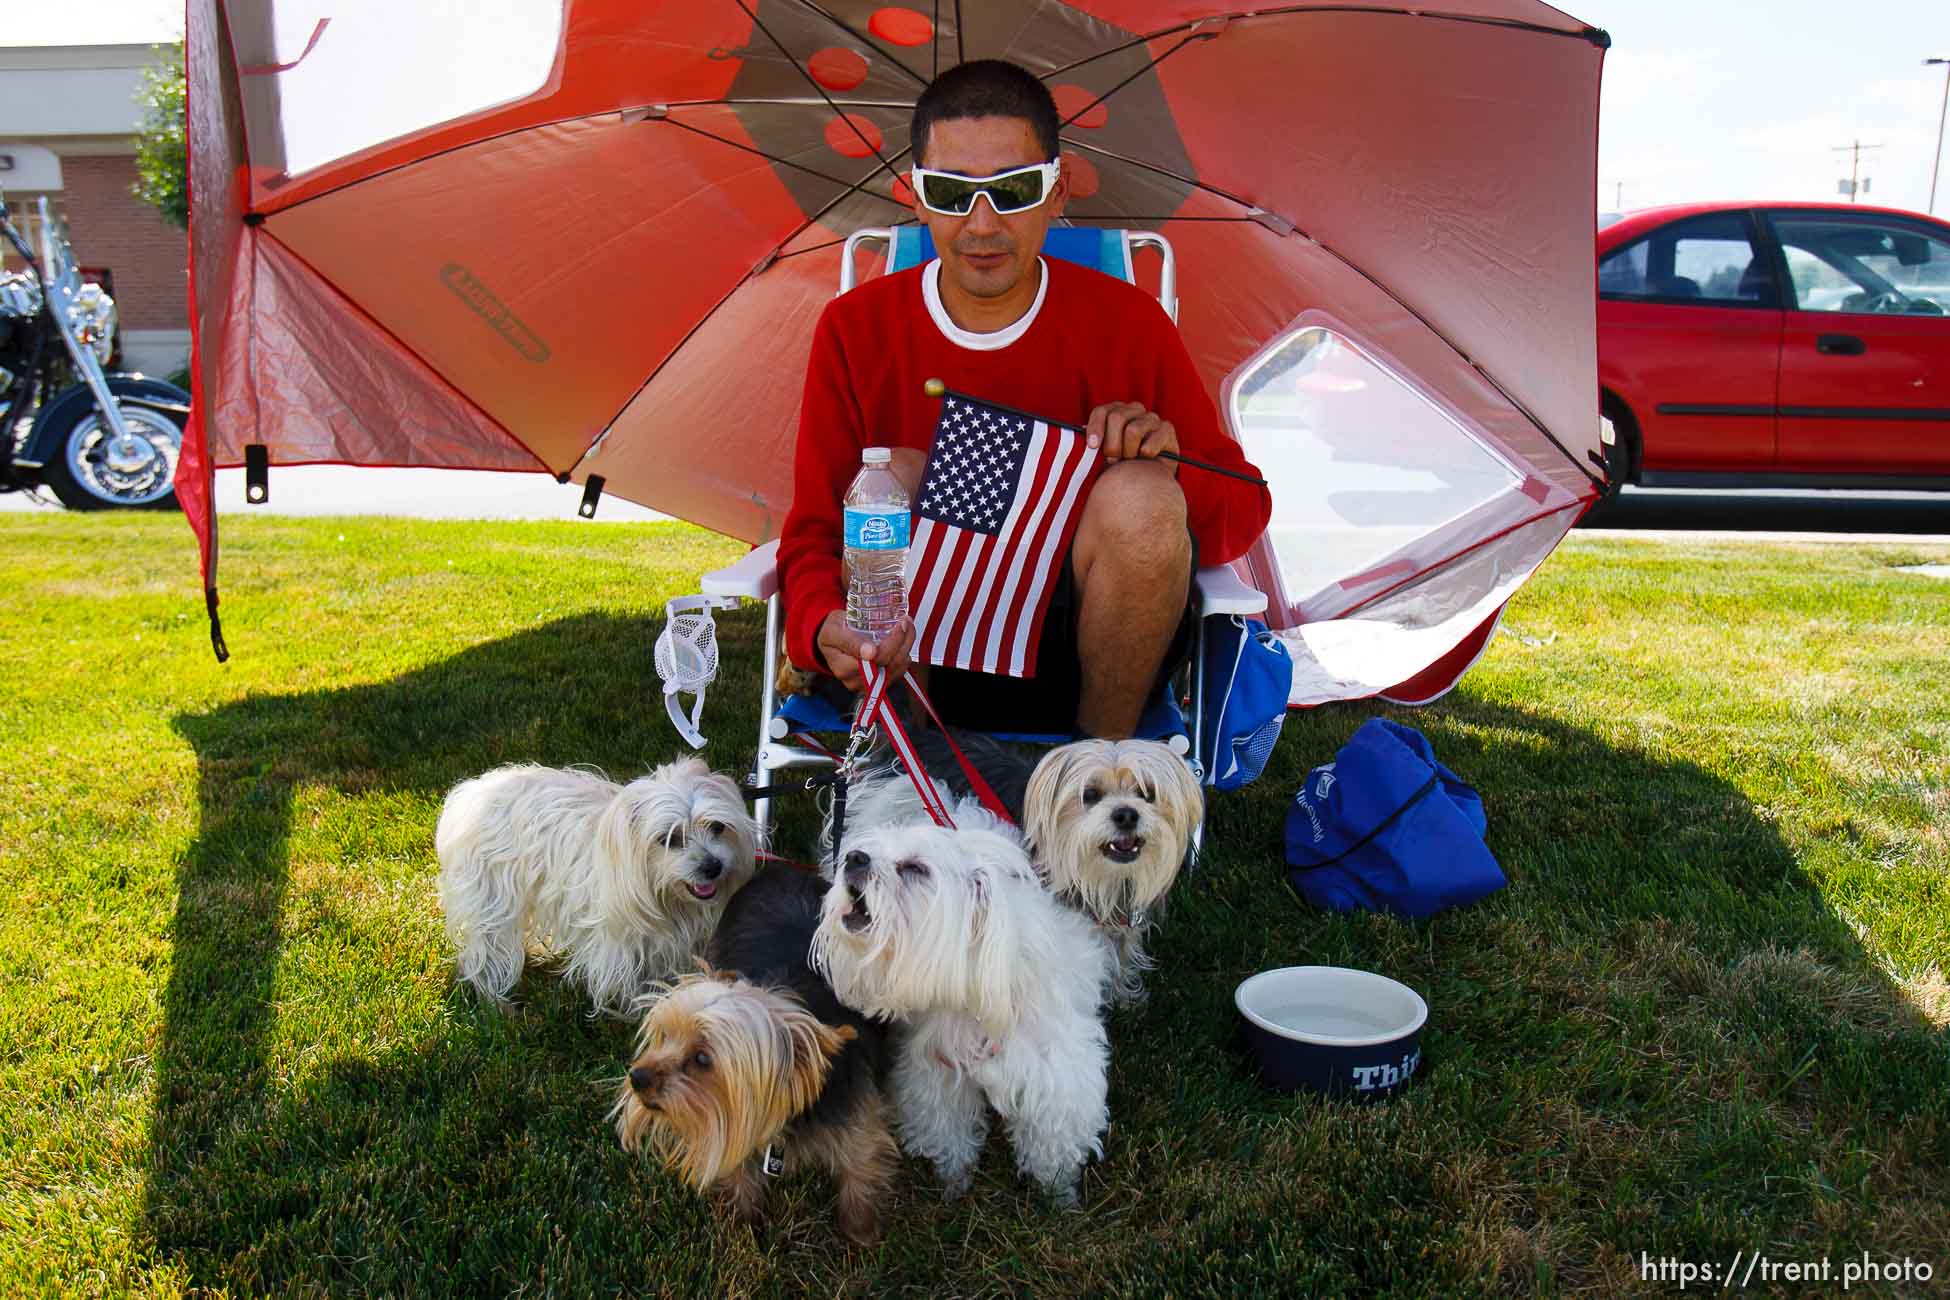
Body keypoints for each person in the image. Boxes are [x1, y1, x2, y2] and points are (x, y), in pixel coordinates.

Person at [777, 59, 1269, 740]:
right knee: (897, 476)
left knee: (1143, 496)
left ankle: (1094, 783)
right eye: (951, 192)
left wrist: (1172, 460)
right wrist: (815, 625)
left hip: (1098, 647)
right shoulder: (857, 328)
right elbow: (813, 533)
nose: (982, 225)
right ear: (915, 196)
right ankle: (915, 778)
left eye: (1012, 190)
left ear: (1057, 191)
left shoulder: (1127, 323)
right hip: (918, 652)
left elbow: (1241, 514)